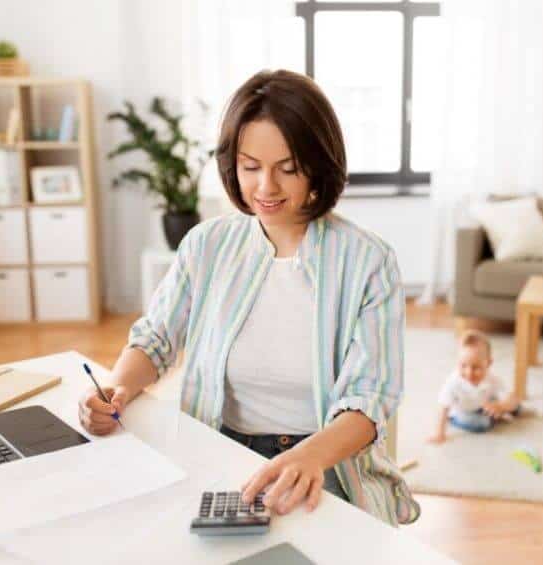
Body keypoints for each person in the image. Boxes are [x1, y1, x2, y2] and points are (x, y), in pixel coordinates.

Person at [78, 69, 419, 526]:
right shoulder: (207, 245)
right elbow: (156, 337)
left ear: (318, 164)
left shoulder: (368, 261)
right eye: (251, 167)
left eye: (288, 168)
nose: (266, 188)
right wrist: (117, 388)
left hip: (322, 461)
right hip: (217, 447)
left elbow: (371, 394)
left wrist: (308, 458)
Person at [426, 330, 520, 444]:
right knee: (482, 424)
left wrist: (501, 406)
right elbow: (444, 407)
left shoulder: (492, 379)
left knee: (516, 406)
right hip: (462, 411)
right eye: (463, 365)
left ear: (489, 363)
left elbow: (512, 397)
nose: (469, 372)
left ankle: (496, 414)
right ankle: (454, 420)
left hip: (483, 404)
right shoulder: (453, 382)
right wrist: (439, 433)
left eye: (476, 367)